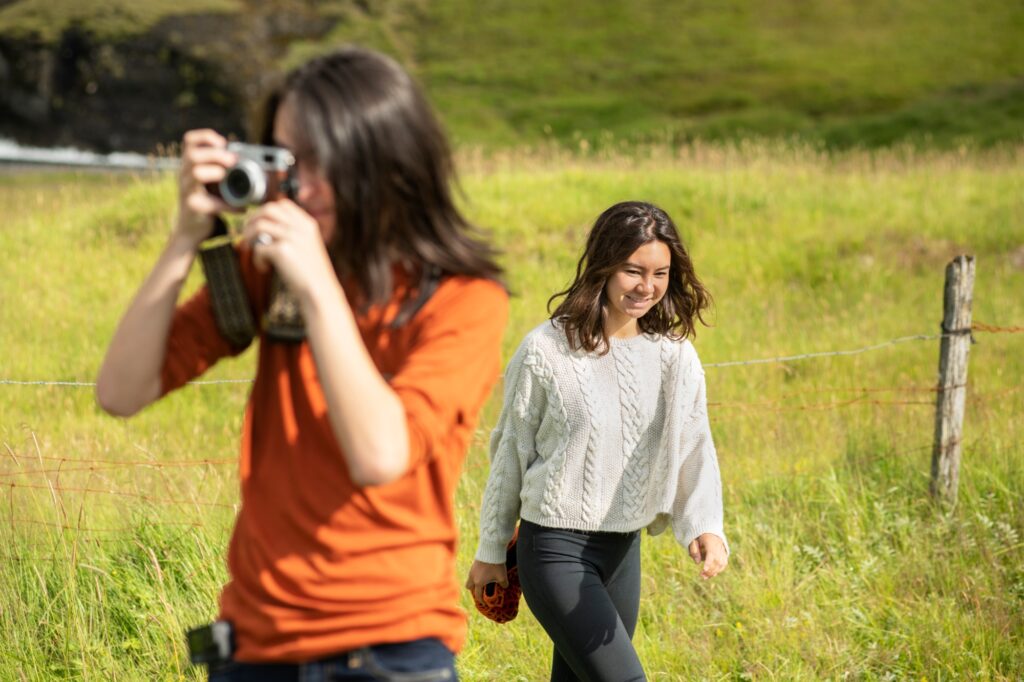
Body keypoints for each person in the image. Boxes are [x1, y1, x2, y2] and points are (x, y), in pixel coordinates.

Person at [96, 46, 508, 680]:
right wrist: (184, 237)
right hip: (255, 645)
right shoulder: (273, 269)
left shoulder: (462, 300)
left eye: (319, 163)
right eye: (285, 160)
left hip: (390, 650)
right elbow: (121, 390)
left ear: (383, 163)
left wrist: (317, 289)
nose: (298, 186)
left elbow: (380, 454)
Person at [465, 201, 728, 682]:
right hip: (554, 551)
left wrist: (704, 525)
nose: (647, 287)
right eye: (633, 270)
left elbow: (695, 445)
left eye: (660, 273)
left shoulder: (675, 358)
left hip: (622, 551)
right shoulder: (546, 350)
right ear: (605, 266)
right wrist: (490, 549)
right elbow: (510, 454)